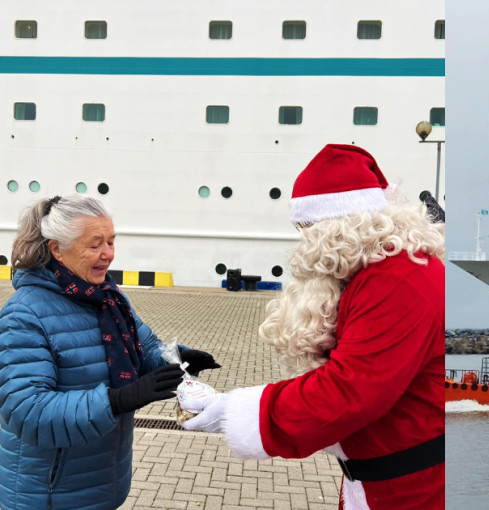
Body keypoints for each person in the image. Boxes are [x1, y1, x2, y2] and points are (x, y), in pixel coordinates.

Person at [181, 144, 445, 509]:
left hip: (413, 490)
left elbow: (351, 390)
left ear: (337, 227)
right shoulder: (380, 271)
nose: (305, 241)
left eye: (307, 229)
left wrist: (239, 412)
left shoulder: (397, 279)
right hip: (384, 479)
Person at [0, 195, 220, 510]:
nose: (108, 254)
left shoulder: (109, 298)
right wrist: (116, 400)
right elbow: (27, 412)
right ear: (57, 249)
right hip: (49, 494)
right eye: (95, 245)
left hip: (103, 483)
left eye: (111, 242)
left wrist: (180, 359)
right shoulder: (25, 314)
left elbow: (144, 351)